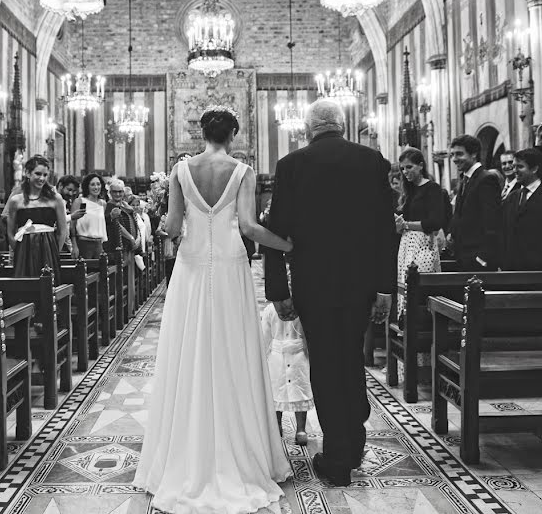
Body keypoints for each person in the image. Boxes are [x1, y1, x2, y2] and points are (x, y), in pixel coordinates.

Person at [134, 106, 293, 512]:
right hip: (228, 267)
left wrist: (160, 227)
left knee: (189, 350)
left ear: (200, 132)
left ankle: (184, 450)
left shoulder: (180, 171)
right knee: (231, 350)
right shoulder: (243, 171)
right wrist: (292, 246)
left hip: (190, 266)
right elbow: (249, 227)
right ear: (234, 134)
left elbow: (170, 228)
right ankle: (239, 449)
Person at [265, 99, 395, 487]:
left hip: (313, 282)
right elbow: (385, 230)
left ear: (308, 130)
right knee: (351, 359)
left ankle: (339, 460)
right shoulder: (372, 161)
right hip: (360, 282)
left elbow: (275, 232)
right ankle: (352, 440)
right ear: (343, 125)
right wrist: (386, 288)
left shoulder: (291, 166)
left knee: (324, 363)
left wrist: (277, 289)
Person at [393, 147, 444, 320]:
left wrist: (406, 225)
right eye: (402, 169)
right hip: (406, 243)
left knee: (418, 285)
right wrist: (399, 225)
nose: (405, 172)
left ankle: (421, 325)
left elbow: (434, 222)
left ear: (420, 165)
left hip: (424, 243)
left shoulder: (432, 188)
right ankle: (405, 324)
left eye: (409, 167)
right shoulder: (409, 191)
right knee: (404, 284)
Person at [500, 148, 542, 271]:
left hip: (540, 268)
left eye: (520, 167)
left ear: (534, 169)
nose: (514, 170)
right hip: (512, 269)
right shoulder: (512, 197)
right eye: (514, 166)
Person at [6, 155, 67, 280]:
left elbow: (62, 231)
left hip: (49, 248)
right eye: (38, 174)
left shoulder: (55, 199)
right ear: (28, 173)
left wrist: (54, 252)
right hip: (24, 249)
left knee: (49, 286)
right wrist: (20, 250)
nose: (42, 178)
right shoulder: (16, 201)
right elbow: (10, 231)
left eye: (45, 175)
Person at [260, 301, 312, 447]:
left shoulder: (303, 307)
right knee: (276, 393)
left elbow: (309, 332)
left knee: (300, 392)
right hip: (277, 355)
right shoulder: (270, 310)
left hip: (298, 354)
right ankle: (277, 426)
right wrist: (263, 356)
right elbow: (265, 335)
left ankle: (301, 429)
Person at [448, 134, 501, 271]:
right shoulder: (466, 178)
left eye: (459, 154)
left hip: (478, 257)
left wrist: (483, 258)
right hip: (464, 254)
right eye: (452, 155)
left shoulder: (486, 179)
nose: (454, 159)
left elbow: (492, 220)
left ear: (473, 154)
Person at [71, 173, 108, 259]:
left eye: (98, 184)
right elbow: (72, 226)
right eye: (92, 184)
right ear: (87, 186)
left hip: (98, 244)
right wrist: (74, 246)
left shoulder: (103, 204)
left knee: (101, 270)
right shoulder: (79, 201)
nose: (96, 187)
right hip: (84, 243)